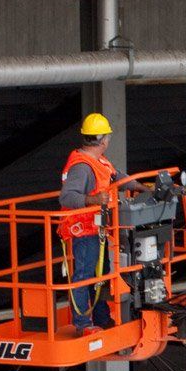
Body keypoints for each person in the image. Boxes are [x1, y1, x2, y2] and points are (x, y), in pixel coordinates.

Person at [58, 113, 123, 334]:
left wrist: (145, 186)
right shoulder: (82, 167)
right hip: (84, 230)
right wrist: (92, 200)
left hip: (96, 229)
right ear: (103, 139)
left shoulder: (99, 161)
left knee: (101, 274)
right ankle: (83, 324)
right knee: (85, 275)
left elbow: (117, 177)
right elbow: (67, 197)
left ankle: (102, 318)